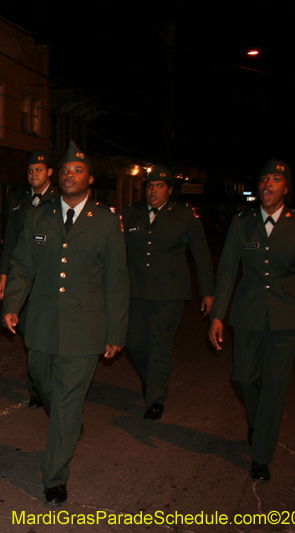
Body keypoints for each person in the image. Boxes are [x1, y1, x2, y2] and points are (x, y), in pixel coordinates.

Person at [2, 141, 129, 505]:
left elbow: (117, 282)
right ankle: (69, 426)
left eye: (78, 170)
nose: (70, 175)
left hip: (85, 329)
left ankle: (54, 475)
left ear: (90, 178)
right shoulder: (38, 216)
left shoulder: (105, 221)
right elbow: (23, 265)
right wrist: (12, 303)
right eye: (65, 170)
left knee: (68, 401)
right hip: (41, 323)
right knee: (43, 382)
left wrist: (116, 331)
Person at [209, 159, 295, 482]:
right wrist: (217, 316)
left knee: (274, 386)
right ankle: (260, 422)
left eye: (275, 180)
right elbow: (228, 272)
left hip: (287, 319)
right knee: (242, 377)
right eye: (263, 180)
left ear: (286, 187)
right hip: (248, 314)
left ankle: (261, 455)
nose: (267, 185)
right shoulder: (242, 223)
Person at [123, 165, 215, 420]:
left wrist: (207, 291)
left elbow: (201, 254)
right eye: (150, 186)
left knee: (160, 345)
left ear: (170, 190)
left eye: (160, 186)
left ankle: (156, 398)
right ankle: (153, 380)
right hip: (137, 289)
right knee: (133, 343)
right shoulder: (132, 213)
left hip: (170, 291)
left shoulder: (184, 216)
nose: (153, 191)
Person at [0, 149, 57, 409]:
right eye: (30, 170)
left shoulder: (60, 199)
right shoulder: (20, 201)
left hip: (47, 277)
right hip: (22, 276)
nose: (34, 174)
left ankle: (41, 387)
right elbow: (10, 240)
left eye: (39, 170)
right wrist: (3, 276)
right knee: (26, 329)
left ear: (49, 172)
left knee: (43, 331)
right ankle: (38, 386)